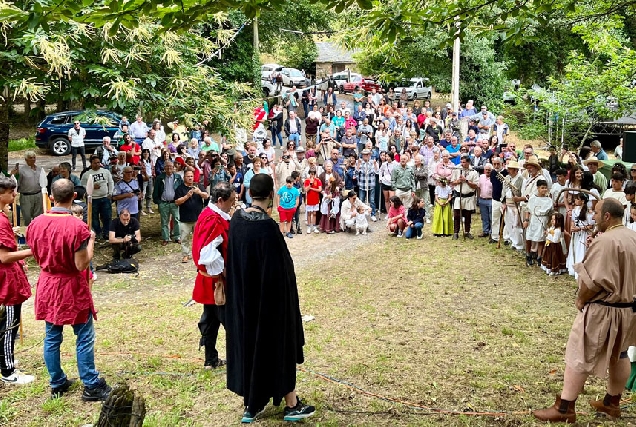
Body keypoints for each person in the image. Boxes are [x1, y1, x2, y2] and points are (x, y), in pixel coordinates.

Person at [534, 198, 636, 423]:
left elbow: (593, 282)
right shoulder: (633, 237)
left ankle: (564, 408)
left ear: (607, 216)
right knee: (620, 353)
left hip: (603, 310)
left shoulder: (606, 241)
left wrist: (581, 299)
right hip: (628, 309)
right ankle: (612, 403)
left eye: (597, 213)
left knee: (579, 354)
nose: (594, 216)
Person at [225, 174, 315, 423]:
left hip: (244, 301)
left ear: (250, 193)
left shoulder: (237, 221)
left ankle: (251, 406)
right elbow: (281, 271)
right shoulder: (267, 227)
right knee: (277, 345)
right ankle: (291, 404)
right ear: (271, 195)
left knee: (251, 346)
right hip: (268, 303)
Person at [26, 179, 111, 401]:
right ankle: (91, 384)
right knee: (83, 335)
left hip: (47, 282)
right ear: (74, 196)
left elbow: (36, 255)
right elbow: (81, 264)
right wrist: (91, 240)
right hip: (70, 285)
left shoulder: (35, 223)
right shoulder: (77, 227)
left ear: (51, 197)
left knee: (52, 335)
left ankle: (57, 382)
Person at [191, 181, 235, 370]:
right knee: (228, 320)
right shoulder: (213, 219)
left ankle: (211, 359)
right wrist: (223, 271)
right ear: (220, 200)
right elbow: (207, 253)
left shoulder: (210, 214)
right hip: (215, 281)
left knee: (210, 319)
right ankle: (234, 359)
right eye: (231, 200)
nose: (233, 203)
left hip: (211, 280)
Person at [0, 177, 34, 385]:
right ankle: (8, 371)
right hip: (7, 281)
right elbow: (3, 257)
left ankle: (5, 359)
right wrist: (31, 251)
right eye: (11, 192)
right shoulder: (1, 220)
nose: (14, 196)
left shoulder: (3, 217)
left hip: (9, 276)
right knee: (8, 326)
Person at [176, 169, 208, 263]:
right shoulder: (180, 188)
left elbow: (206, 196)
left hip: (198, 217)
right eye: (188, 176)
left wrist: (199, 192)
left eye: (191, 176)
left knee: (199, 238)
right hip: (185, 218)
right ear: (184, 178)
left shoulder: (198, 186)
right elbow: (177, 202)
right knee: (184, 238)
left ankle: (198, 254)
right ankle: (185, 255)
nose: (190, 178)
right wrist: (186, 196)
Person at [81, 156, 114, 240]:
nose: (97, 164)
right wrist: (91, 187)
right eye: (95, 163)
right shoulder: (87, 174)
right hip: (93, 199)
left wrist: (110, 193)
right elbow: (82, 186)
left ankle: (107, 233)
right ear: (91, 163)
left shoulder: (105, 172)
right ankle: (97, 233)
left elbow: (110, 182)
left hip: (105, 197)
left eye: (98, 162)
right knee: (94, 217)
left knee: (107, 216)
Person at [153, 161, 183, 245]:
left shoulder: (178, 177)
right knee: (164, 221)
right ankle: (166, 238)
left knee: (176, 220)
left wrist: (180, 200)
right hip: (164, 203)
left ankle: (177, 237)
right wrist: (158, 202)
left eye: (171, 166)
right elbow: (156, 191)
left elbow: (181, 189)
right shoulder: (160, 178)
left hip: (175, 202)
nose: (169, 168)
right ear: (164, 168)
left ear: (173, 167)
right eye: (167, 167)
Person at [523, 180, 552, 267]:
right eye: (542, 188)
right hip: (534, 219)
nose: (544, 190)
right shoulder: (533, 198)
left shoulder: (548, 200)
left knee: (541, 239)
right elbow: (528, 210)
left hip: (544, 219)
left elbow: (550, 212)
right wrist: (526, 220)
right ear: (538, 188)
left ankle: (539, 257)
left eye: (545, 188)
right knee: (529, 238)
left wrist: (550, 223)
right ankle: (528, 255)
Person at [11, 151, 44, 225]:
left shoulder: (39, 169)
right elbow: (16, 183)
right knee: (27, 216)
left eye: (34, 157)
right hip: (26, 196)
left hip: (38, 194)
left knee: (38, 216)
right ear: (26, 159)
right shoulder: (21, 170)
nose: (33, 159)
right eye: (30, 158)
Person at [450, 155, 479, 240]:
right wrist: (458, 181)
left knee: (467, 215)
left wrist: (466, 181)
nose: (462, 164)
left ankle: (467, 231)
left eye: (464, 162)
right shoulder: (457, 169)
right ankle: (455, 232)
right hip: (459, 196)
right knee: (456, 215)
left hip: (469, 197)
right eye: (461, 162)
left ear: (468, 162)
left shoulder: (473, 172)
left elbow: (475, 186)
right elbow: (452, 182)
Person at [565, 193, 594, 277]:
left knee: (581, 250)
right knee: (575, 249)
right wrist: (572, 227)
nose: (576, 201)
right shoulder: (575, 210)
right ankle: (573, 267)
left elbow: (591, 225)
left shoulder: (588, 212)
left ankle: (581, 270)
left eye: (578, 199)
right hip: (576, 234)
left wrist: (580, 228)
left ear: (582, 201)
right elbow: (573, 221)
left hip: (583, 234)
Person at [303, 168, 322, 234]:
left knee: (314, 213)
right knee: (309, 213)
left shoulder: (318, 180)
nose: (312, 175)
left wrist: (312, 188)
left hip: (316, 199)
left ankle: (314, 227)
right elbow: (306, 190)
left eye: (313, 174)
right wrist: (310, 185)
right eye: (311, 174)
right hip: (309, 200)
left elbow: (320, 190)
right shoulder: (306, 181)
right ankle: (309, 226)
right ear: (309, 174)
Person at [477, 163, 494, 238]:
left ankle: (491, 232)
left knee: (491, 216)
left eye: (489, 170)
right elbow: (478, 187)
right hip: (482, 199)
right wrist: (478, 198)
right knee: (484, 217)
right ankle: (485, 231)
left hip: (491, 199)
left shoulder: (494, 177)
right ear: (484, 170)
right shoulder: (481, 177)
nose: (487, 171)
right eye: (486, 170)